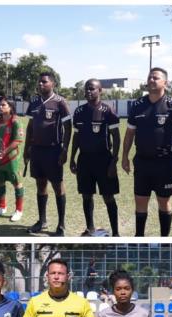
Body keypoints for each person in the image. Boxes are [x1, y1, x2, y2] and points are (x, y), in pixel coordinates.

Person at [122, 67, 172, 237]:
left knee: (164, 202)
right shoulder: (137, 106)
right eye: (150, 77)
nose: (151, 80)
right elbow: (130, 133)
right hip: (142, 162)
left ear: (165, 83)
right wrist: (124, 157)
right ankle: (139, 238)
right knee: (140, 201)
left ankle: (164, 239)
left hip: (165, 164)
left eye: (156, 78)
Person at [70, 79, 121, 237]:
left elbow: (116, 138)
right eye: (86, 89)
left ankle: (116, 233)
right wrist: (72, 158)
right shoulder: (79, 112)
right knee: (86, 194)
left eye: (92, 89)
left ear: (100, 91)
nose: (88, 92)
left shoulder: (108, 111)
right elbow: (76, 137)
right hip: (85, 160)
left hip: (103, 159)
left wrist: (114, 161)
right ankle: (90, 228)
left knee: (108, 196)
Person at [25, 72, 72, 236]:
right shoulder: (34, 102)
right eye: (39, 82)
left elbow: (68, 128)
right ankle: (42, 221)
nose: (40, 84)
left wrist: (65, 149)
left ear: (52, 83)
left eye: (44, 82)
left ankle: (61, 225)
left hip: (53, 150)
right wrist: (26, 150)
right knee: (40, 184)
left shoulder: (60, 102)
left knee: (58, 186)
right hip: (37, 150)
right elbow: (30, 127)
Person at [0, 97, 26, 222]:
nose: (0, 107)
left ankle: (19, 210)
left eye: (3, 105)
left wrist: (4, 152)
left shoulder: (16, 121)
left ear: (10, 107)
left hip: (11, 158)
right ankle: (2, 208)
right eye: (0, 105)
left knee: (17, 183)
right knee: (0, 182)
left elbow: (17, 141)